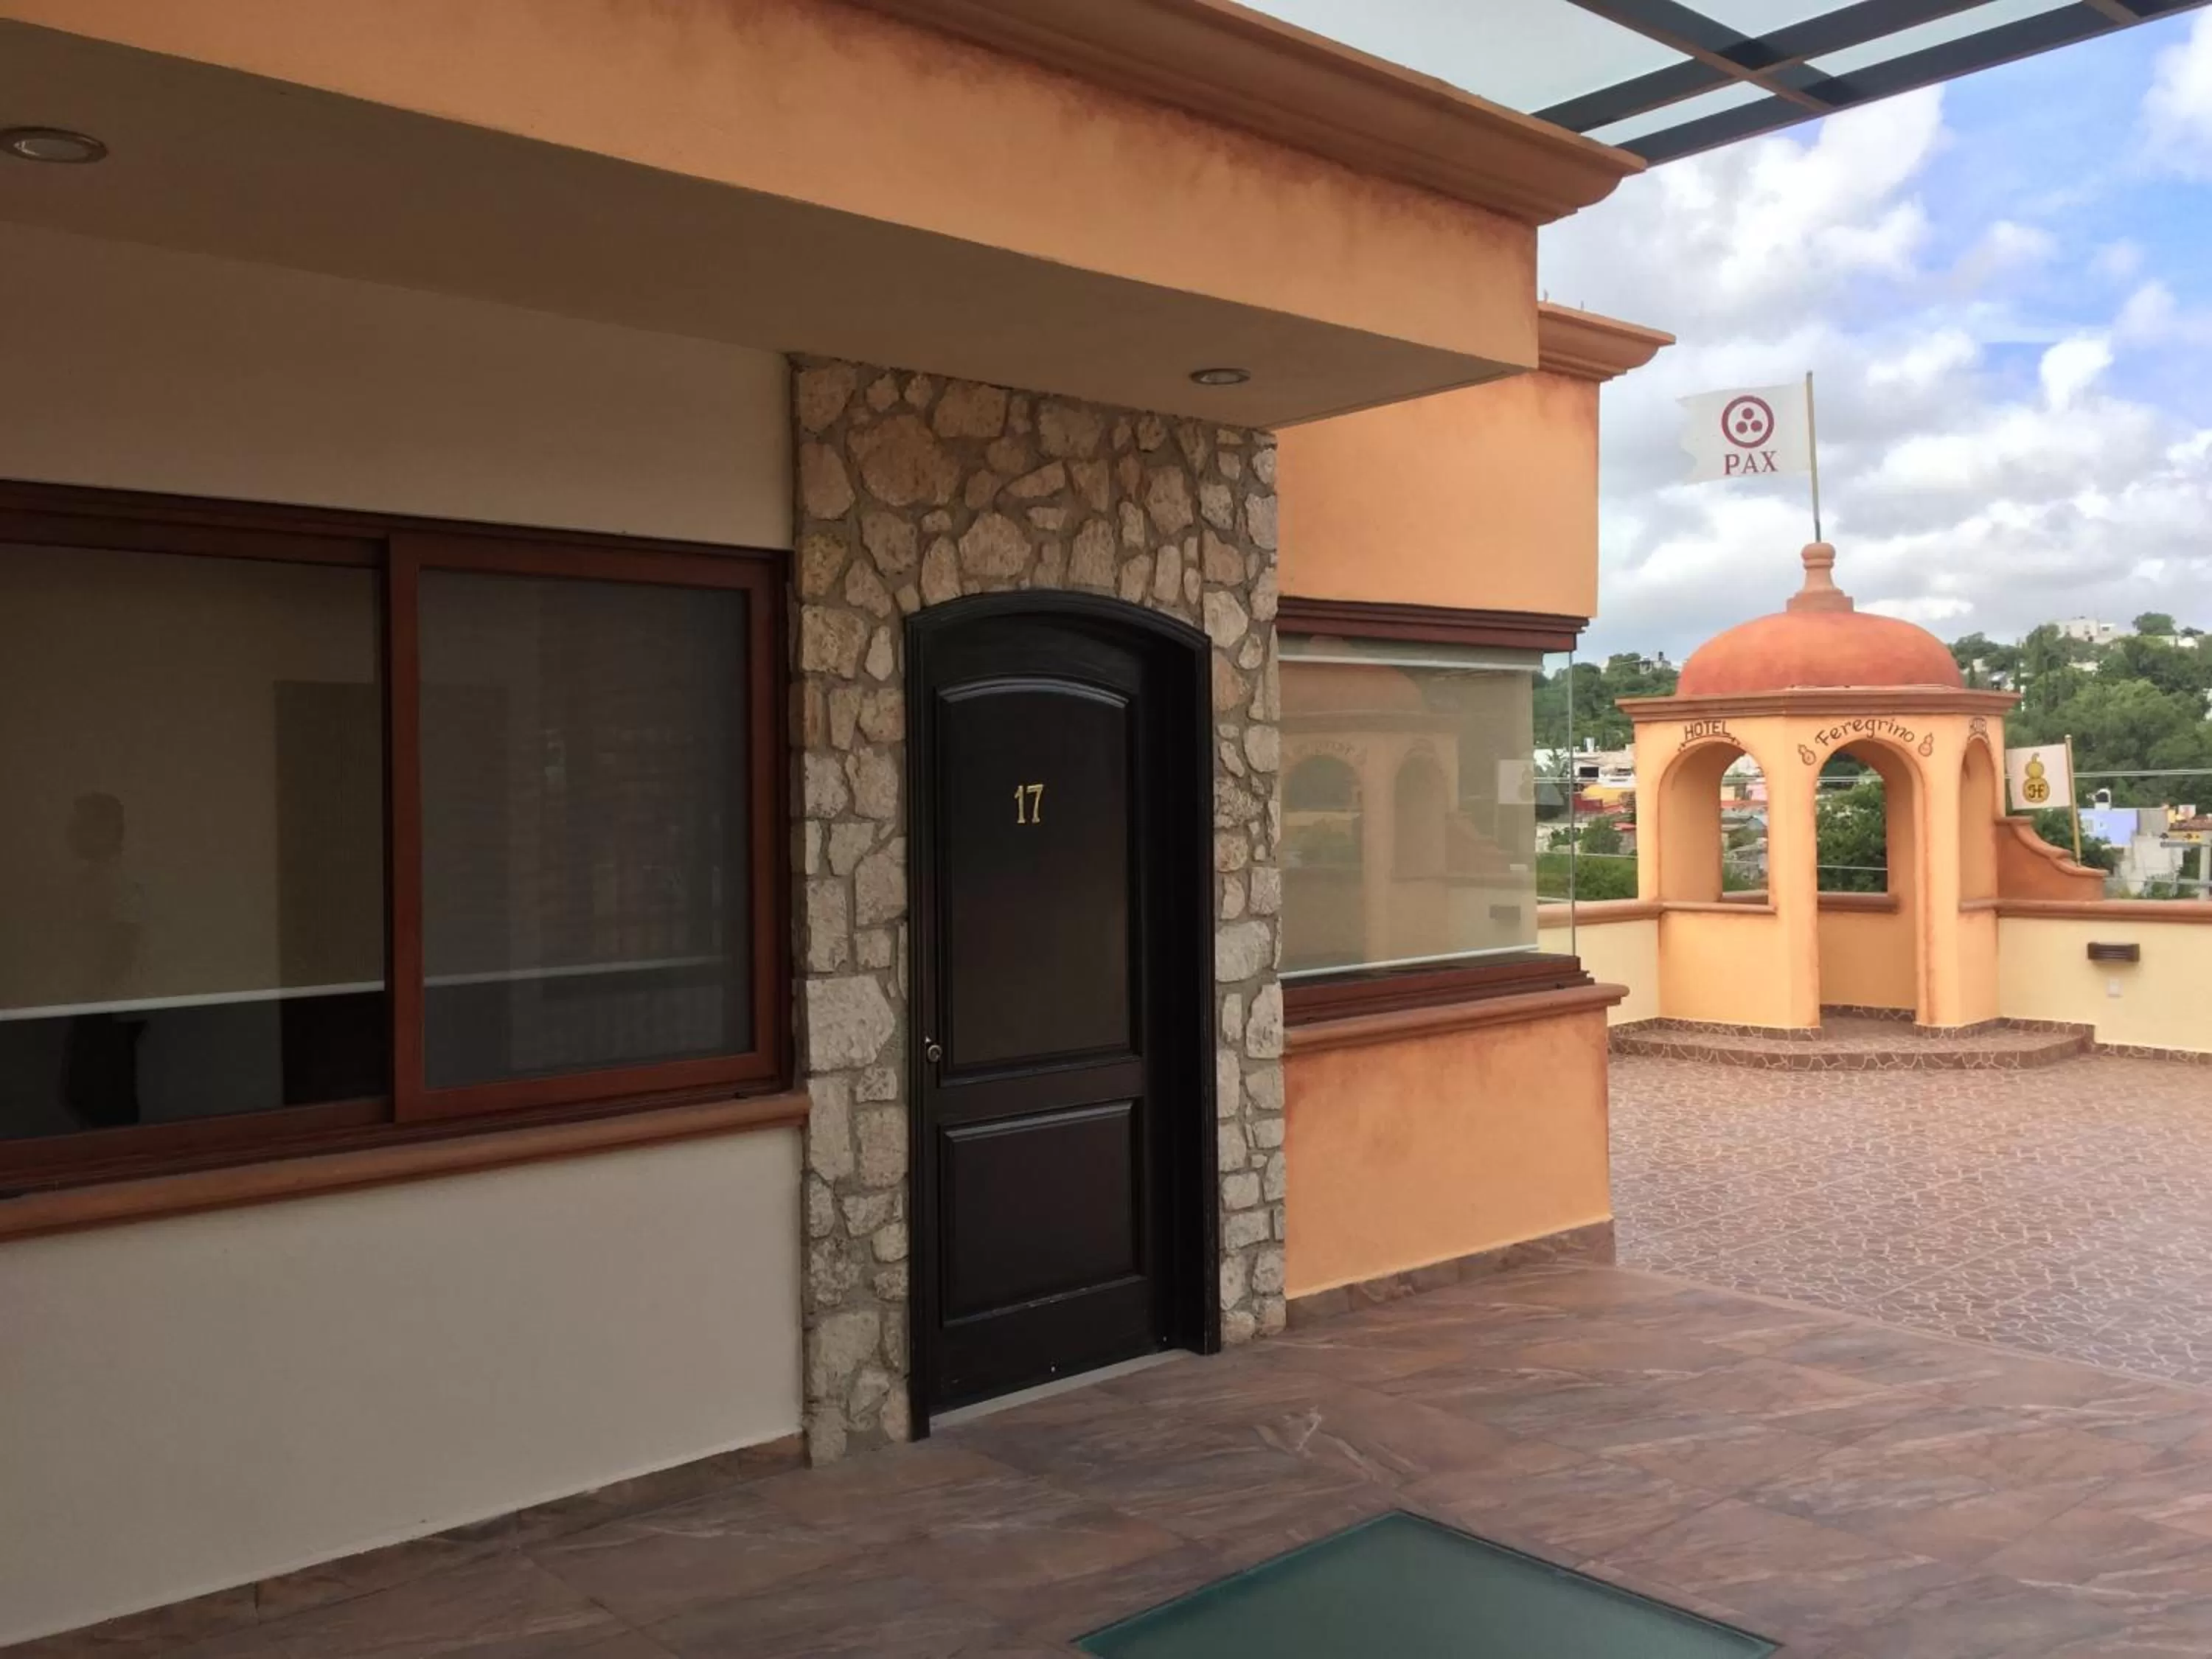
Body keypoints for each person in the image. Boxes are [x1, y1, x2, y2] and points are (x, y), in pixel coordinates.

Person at [61, 792, 145, 1129]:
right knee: (81, 1093)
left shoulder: (119, 884)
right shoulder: (89, 882)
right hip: (92, 1004)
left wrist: (96, 990)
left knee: (101, 1098)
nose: (73, 832)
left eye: (83, 825)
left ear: (110, 831)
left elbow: (124, 943)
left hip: (107, 1008)